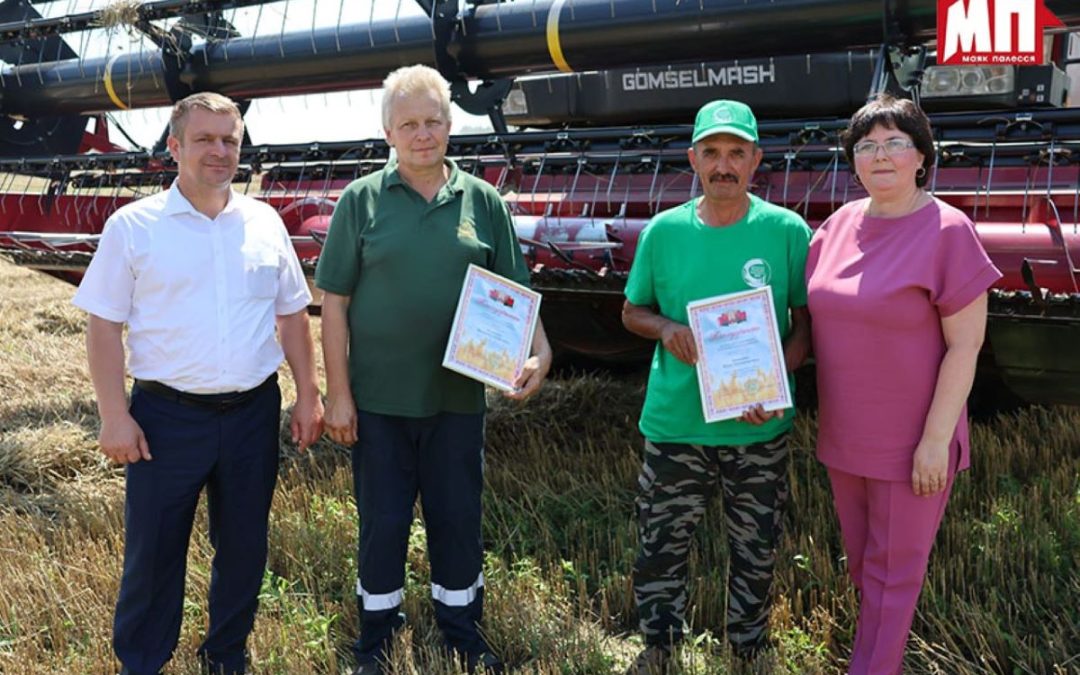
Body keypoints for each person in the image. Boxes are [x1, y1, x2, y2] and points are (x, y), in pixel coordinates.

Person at [72, 92, 324, 675]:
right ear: (174, 147)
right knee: (154, 552)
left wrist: (308, 394)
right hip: (166, 418)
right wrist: (114, 414)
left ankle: (225, 656)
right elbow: (104, 324)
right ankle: (143, 660)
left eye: (229, 140)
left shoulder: (265, 223)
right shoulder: (133, 227)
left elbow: (291, 315)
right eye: (205, 139)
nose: (219, 150)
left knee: (243, 549)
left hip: (252, 414)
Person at [314, 64, 552, 675]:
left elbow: (513, 292)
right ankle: (377, 636)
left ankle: (460, 630)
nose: (424, 133)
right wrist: (336, 393)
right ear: (389, 131)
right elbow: (333, 303)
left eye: (434, 121)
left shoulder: (484, 201)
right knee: (383, 523)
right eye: (410, 123)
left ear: (451, 124)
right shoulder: (361, 201)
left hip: (457, 398)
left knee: (456, 519)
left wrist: (542, 353)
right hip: (380, 401)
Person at [805, 94, 1002, 674]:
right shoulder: (836, 227)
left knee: (894, 578)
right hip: (847, 436)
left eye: (895, 143)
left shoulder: (948, 231)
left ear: (921, 157)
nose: (880, 155)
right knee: (866, 567)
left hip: (912, 440)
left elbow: (965, 346)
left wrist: (935, 440)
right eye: (866, 146)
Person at [621, 99, 812, 673]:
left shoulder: (786, 232)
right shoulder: (663, 232)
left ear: (756, 160)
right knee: (661, 543)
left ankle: (748, 646)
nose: (723, 165)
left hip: (759, 426)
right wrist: (668, 328)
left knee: (756, 545)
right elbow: (632, 311)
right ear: (693, 160)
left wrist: (777, 385)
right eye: (711, 153)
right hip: (678, 421)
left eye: (736, 153)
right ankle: (659, 642)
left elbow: (805, 325)